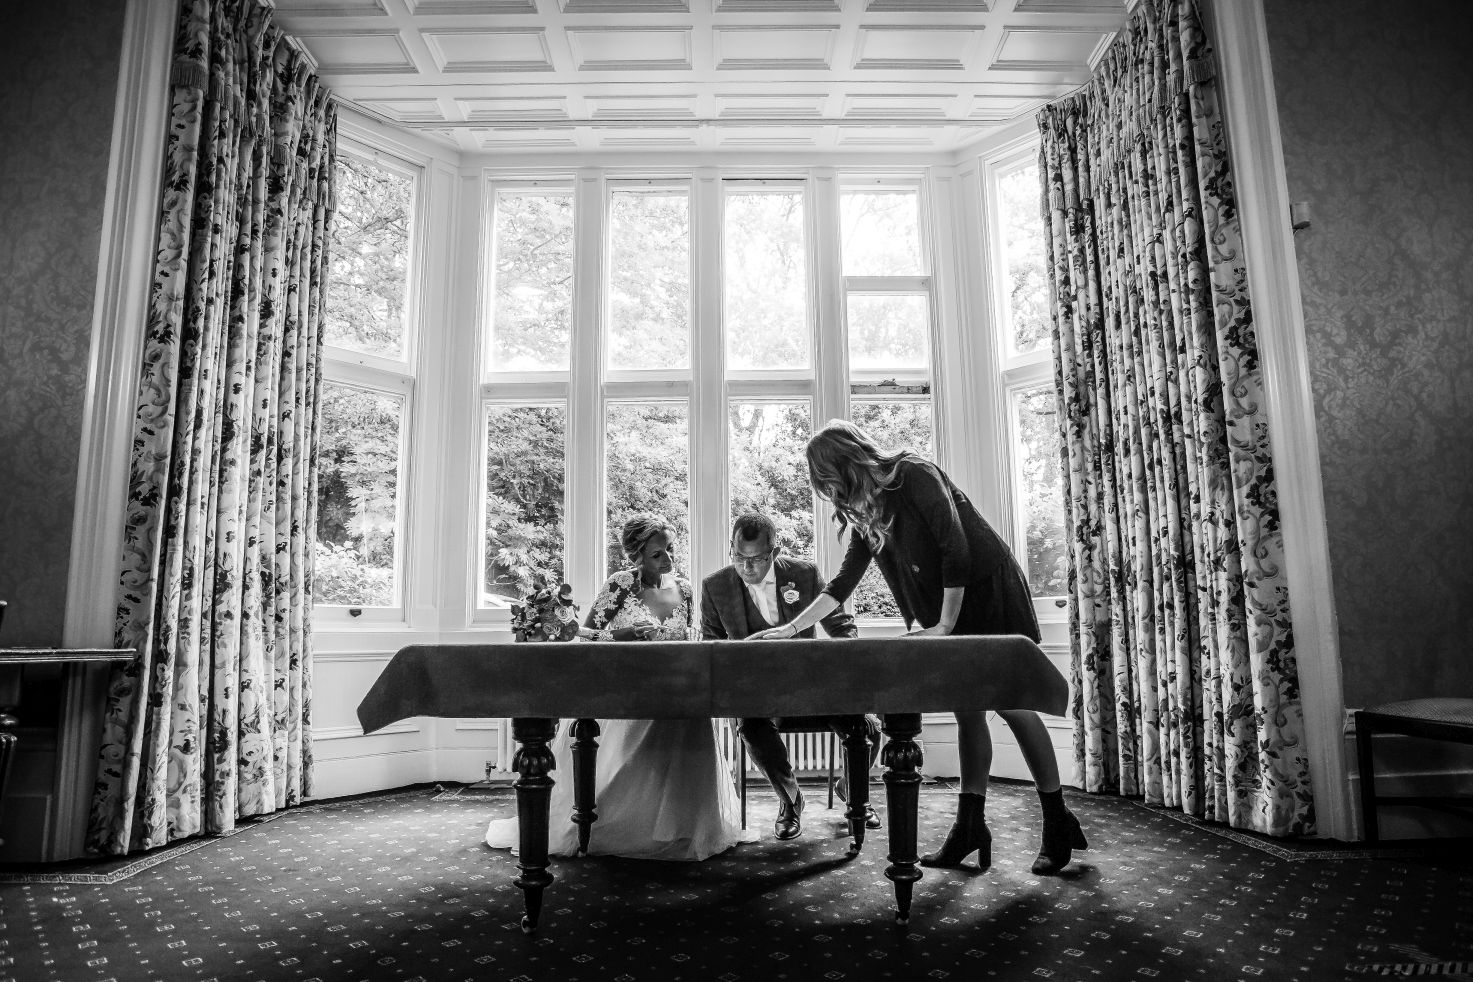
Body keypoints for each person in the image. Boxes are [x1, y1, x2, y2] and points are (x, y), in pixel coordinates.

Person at [751, 421, 1087, 875]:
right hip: (945, 606)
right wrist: (791, 628)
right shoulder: (868, 513)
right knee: (967, 711)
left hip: (984, 592)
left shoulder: (914, 473)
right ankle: (970, 826)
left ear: (848, 464)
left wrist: (944, 625)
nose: (832, 495)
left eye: (830, 482)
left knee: (1013, 705)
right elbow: (843, 583)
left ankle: (1057, 818)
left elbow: (955, 547)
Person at [485, 514, 755, 861]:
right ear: (637, 556)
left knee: (691, 717)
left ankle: (680, 825)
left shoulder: (685, 589)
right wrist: (625, 635)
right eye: (657, 554)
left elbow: (689, 640)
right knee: (656, 723)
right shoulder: (622, 584)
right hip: (628, 690)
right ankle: (622, 824)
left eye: (670, 549)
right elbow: (586, 634)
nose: (668, 558)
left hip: (675, 688)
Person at [700, 512, 883, 840]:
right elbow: (711, 648)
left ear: (775, 551)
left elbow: (840, 625)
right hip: (756, 695)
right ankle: (791, 801)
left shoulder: (804, 574)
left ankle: (853, 790)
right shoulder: (715, 586)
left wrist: (852, 679)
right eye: (738, 556)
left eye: (757, 558)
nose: (747, 567)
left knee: (870, 724)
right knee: (751, 728)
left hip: (810, 687)